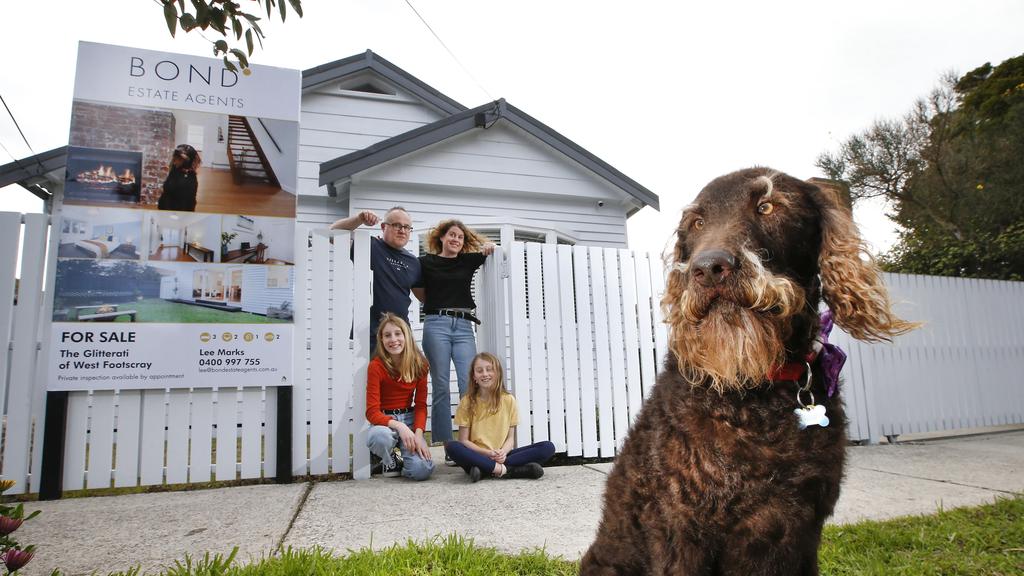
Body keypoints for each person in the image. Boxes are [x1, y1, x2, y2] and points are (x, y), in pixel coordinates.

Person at [411, 220, 495, 453]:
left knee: (468, 383)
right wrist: (440, 303)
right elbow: (420, 292)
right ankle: (447, 445)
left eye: (460, 236)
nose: (456, 239)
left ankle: (469, 441)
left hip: (464, 326)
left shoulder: (467, 261)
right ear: (441, 238)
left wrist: (488, 245)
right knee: (440, 385)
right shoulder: (425, 262)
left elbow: (489, 248)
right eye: (452, 235)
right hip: (436, 324)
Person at [445, 352, 554, 482]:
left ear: (497, 374)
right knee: (452, 447)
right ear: (474, 376)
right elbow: (464, 441)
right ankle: (507, 471)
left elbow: (510, 438)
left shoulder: (509, 400)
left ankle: (486, 470)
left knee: (547, 447)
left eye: (489, 370)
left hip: (502, 455)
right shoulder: (467, 402)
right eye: (479, 371)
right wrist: (486, 453)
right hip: (476, 455)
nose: (485, 374)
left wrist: (502, 452)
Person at [330, 207, 420, 349]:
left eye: (407, 227)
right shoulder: (369, 246)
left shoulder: (414, 262)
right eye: (397, 225)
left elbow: (422, 295)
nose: (402, 230)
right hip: (369, 334)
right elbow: (333, 233)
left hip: (400, 335)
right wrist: (359, 219)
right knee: (370, 372)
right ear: (383, 227)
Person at [365, 313, 434, 480]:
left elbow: (420, 405)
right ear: (381, 340)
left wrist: (418, 435)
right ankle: (389, 458)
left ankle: (406, 463)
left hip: (410, 418)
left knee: (422, 470)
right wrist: (400, 427)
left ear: (406, 335)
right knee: (380, 437)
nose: (393, 339)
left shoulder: (420, 364)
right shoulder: (376, 366)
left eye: (398, 333)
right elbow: (372, 412)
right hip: (385, 421)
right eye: (387, 335)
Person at [157, 144, 201, 211]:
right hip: (166, 208)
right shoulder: (175, 169)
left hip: (181, 212)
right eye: (174, 158)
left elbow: (189, 202)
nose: (174, 162)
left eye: (178, 159)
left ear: (187, 162)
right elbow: (167, 190)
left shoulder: (190, 179)